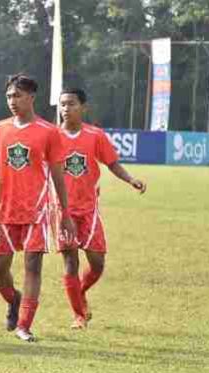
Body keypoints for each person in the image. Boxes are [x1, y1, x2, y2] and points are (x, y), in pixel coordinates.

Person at [0, 74, 75, 343]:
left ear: (31, 97)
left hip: (37, 210)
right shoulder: (0, 129)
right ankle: (14, 300)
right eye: (9, 96)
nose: (12, 101)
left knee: (32, 267)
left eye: (18, 96)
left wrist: (65, 214)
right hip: (6, 210)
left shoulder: (49, 131)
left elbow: (58, 174)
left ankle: (24, 325)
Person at [56, 87, 146, 328]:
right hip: (62, 210)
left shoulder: (95, 136)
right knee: (70, 262)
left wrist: (131, 179)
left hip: (89, 209)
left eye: (71, 104)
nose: (66, 109)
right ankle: (78, 315)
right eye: (62, 104)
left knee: (97, 263)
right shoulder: (52, 137)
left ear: (83, 107)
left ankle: (80, 292)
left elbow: (113, 164)